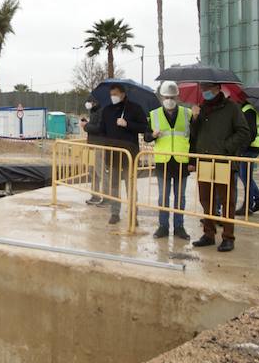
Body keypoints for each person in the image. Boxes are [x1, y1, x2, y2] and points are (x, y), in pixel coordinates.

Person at [188, 81, 250, 251]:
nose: (204, 92)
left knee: (227, 200)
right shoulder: (201, 108)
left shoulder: (231, 108)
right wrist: (194, 118)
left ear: (217, 89)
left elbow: (244, 132)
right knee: (205, 198)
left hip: (224, 161)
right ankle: (208, 233)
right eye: (203, 89)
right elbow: (194, 135)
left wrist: (226, 147)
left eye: (207, 89)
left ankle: (228, 237)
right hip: (204, 159)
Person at [144, 80, 192, 239]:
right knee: (163, 196)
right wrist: (153, 135)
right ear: (161, 97)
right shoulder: (154, 115)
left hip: (181, 161)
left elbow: (194, 137)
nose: (169, 99)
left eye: (172, 96)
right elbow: (146, 137)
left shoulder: (188, 113)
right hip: (163, 161)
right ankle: (163, 226)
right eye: (166, 96)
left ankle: (179, 227)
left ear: (177, 97)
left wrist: (193, 161)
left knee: (180, 197)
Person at [99, 82, 149, 226]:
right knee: (114, 185)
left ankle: (133, 214)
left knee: (130, 185)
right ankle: (115, 213)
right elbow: (102, 130)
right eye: (111, 94)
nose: (113, 97)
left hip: (130, 154)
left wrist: (127, 124)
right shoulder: (107, 110)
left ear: (123, 94)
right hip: (113, 153)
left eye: (115, 94)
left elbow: (144, 127)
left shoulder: (134, 108)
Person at [233, 103, 259, 216]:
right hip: (250, 148)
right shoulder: (246, 109)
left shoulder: (248, 111)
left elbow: (251, 133)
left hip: (249, 149)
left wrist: (242, 148)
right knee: (245, 176)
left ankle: (248, 205)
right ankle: (258, 199)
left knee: (245, 177)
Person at [80, 96, 110, 206]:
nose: (87, 104)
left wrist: (86, 126)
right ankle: (95, 195)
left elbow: (99, 129)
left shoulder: (101, 112)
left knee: (101, 172)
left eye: (89, 102)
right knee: (92, 172)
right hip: (92, 145)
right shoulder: (94, 112)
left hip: (99, 146)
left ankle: (107, 197)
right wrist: (87, 123)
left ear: (94, 102)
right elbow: (94, 126)